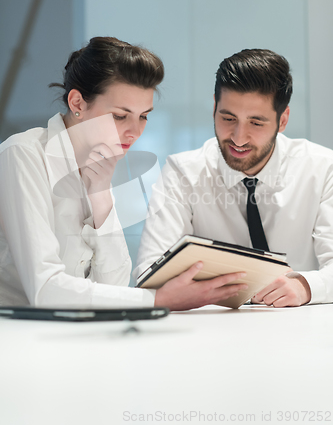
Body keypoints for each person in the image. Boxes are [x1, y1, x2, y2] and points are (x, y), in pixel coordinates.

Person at [0, 36, 247, 310]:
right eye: (120, 115)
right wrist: (158, 299)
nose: (135, 131)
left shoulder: (101, 164)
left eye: (143, 116)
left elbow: (114, 287)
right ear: (77, 103)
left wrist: (101, 196)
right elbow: (45, 289)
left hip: (76, 336)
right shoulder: (23, 155)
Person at [134, 48, 333, 307]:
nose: (239, 138)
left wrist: (306, 287)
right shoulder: (183, 173)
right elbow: (149, 276)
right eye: (228, 118)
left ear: (282, 120)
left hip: (302, 331)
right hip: (211, 332)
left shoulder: (323, 168)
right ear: (214, 108)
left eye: (256, 123)